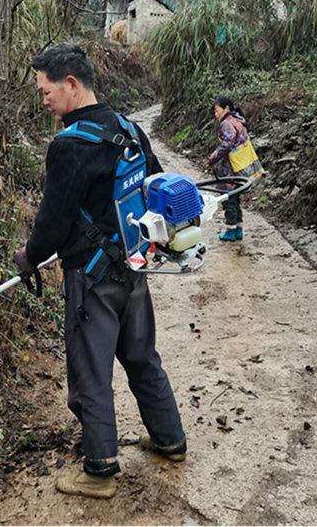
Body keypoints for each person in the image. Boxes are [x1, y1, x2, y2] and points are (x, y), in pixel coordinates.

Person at [12, 42, 186, 499]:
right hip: (134, 269)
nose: (43, 99)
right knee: (142, 356)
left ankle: (99, 469)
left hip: (91, 280)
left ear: (71, 84)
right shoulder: (130, 130)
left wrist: (28, 256)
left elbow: (52, 223)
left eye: (46, 90)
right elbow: (157, 187)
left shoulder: (69, 145)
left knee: (90, 371)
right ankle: (170, 439)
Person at [204, 97, 264, 241]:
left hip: (230, 168)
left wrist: (211, 160)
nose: (215, 114)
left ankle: (230, 231)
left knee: (228, 198)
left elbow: (226, 145)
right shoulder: (238, 121)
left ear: (226, 109)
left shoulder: (227, 124)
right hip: (240, 167)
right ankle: (238, 229)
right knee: (235, 197)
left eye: (216, 110)